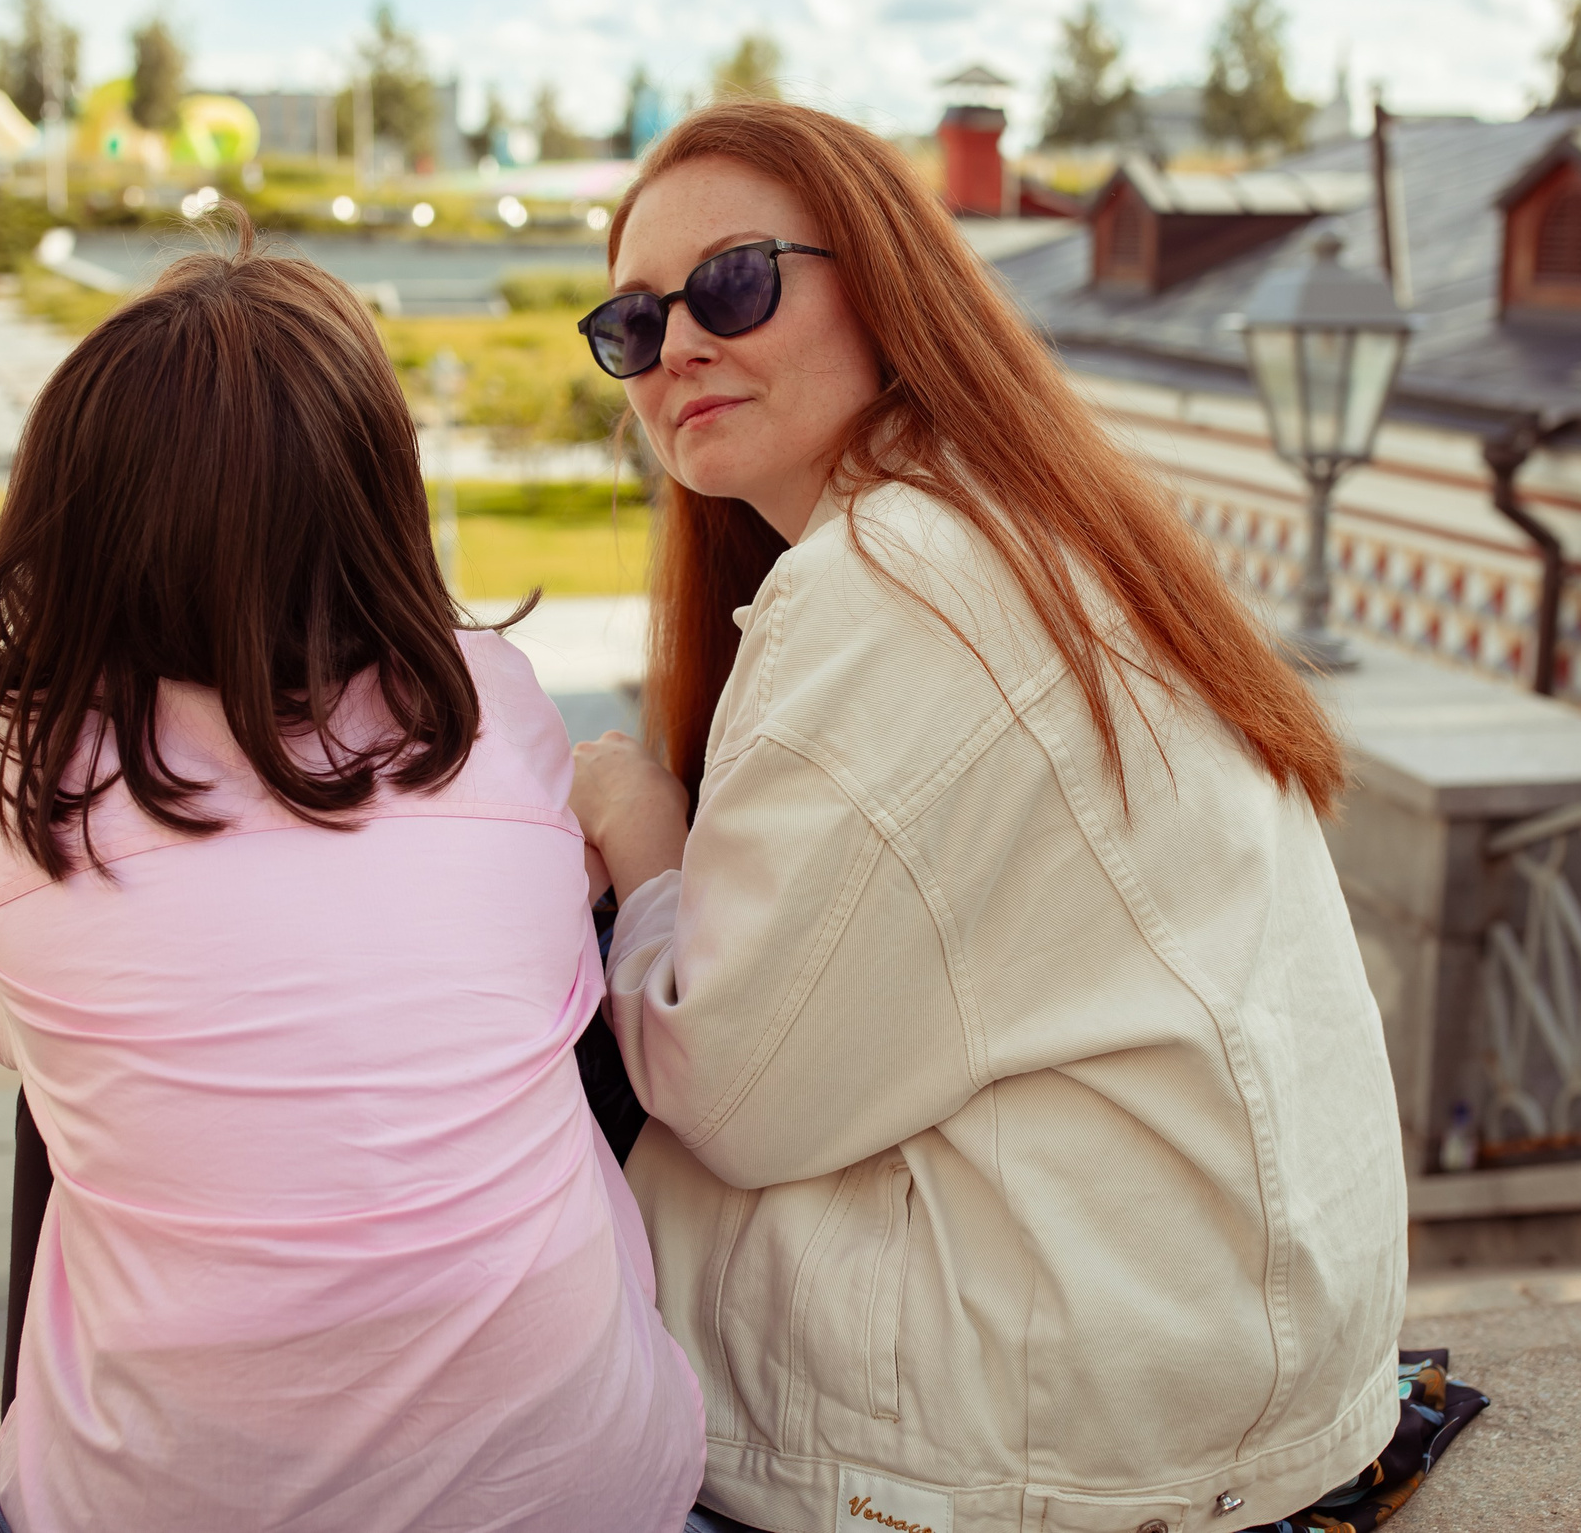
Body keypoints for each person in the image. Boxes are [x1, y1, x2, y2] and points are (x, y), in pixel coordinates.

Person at [567, 101, 1409, 1533]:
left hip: (1064, 1426)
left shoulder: (889, 579)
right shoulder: (1010, 519)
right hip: (1220, 1359)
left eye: (734, 284)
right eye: (632, 324)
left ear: (886, 282)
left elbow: (731, 1087)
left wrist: (639, 831)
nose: (679, 347)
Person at [0, 231, 702, 1533]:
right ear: (375, 503)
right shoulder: (489, 704)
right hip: (584, 1494)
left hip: (138, 1509)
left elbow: (49, 1040)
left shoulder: (9, 768)